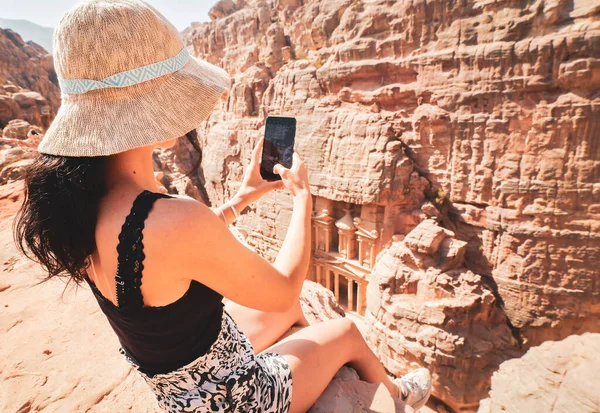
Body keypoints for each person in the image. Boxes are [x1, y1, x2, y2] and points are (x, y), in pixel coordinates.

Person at [14, 0, 432, 412]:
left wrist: (241, 198)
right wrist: (304, 198)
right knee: (343, 333)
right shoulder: (174, 218)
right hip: (238, 401)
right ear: (156, 105)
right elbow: (284, 285)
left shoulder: (75, 205)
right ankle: (399, 396)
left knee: (287, 311)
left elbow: (161, 251)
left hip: (183, 389)